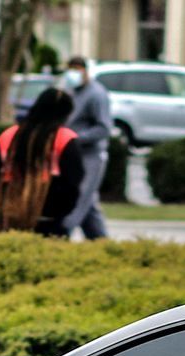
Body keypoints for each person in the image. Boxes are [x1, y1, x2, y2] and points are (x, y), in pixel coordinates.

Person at [0, 87, 85, 236]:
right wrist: (64, 211)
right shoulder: (64, 139)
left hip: (5, 217)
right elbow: (73, 181)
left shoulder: (9, 136)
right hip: (49, 220)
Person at [62, 57, 111, 239]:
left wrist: (75, 139)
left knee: (79, 195)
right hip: (73, 154)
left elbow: (104, 128)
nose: (73, 74)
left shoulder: (96, 94)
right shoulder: (72, 92)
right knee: (88, 201)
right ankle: (100, 240)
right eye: (70, 69)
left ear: (85, 71)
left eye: (77, 69)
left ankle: (63, 233)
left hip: (91, 155)